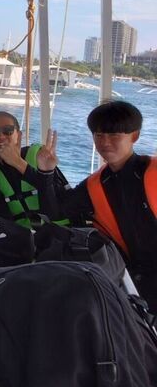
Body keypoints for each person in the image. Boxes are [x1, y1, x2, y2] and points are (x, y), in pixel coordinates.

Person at [39, 101, 157, 310]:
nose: (105, 142)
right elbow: (55, 212)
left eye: (114, 135)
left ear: (134, 136)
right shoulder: (95, 184)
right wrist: (46, 172)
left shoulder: (153, 171)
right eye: (99, 135)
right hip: (132, 281)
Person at [0, 111, 65, 227]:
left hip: (58, 231)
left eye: (8, 130)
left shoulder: (40, 156)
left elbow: (58, 204)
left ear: (19, 135)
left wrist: (19, 163)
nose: (1, 136)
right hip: (21, 235)